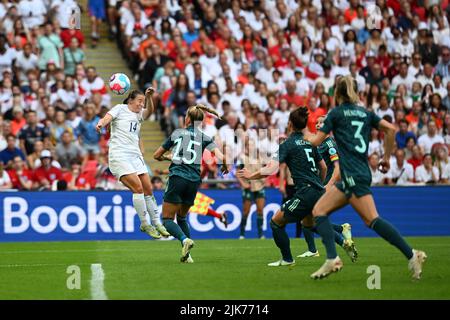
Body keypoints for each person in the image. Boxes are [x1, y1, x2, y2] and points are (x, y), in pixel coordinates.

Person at [304, 75, 426, 280]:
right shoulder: (365, 113)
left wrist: (299, 134)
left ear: (338, 93)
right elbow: (391, 129)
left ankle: (334, 258)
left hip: (351, 175)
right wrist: (386, 158)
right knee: (323, 211)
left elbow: (316, 142)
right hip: (359, 173)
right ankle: (412, 255)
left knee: (364, 218)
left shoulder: (336, 113)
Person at [237, 107, 356, 267]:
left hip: (305, 191)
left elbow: (270, 169)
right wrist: (319, 184)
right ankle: (344, 242)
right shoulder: (311, 142)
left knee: (276, 222)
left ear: (290, 124)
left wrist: (251, 176)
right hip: (318, 191)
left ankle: (287, 259)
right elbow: (324, 168)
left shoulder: (288, 144)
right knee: (310, 224)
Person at [153, 103, 228, 263]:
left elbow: (156, 155)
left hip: (178, 177)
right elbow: (221, 156)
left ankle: (184, 240)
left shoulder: (178, 133)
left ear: (187, 119)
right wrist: (226, 165)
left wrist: (168, 157)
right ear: (201, 122)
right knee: (182, 218)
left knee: (167, 220)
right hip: (194, 180)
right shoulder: (205, 137)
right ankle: (188, 256)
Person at [96, 88, 170, 239]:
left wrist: (148, 97)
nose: (142, 104)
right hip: (119, 156)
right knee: (138, 188)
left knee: (148, 189)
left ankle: (157, 222)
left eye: (143, 102)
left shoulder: (139, 114)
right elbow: (107, 118)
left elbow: (150, 111)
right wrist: (101, 123)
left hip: (135, 156)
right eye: (139, 101)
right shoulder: (120, 109)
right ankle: (145, 223)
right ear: (130, 100)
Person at [299, 115, 353, 259]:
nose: (318, 125)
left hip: (327, 184)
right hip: (319, 183)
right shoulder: (319, 143)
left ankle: (317, 249)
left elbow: (338, 168)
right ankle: (341, 230)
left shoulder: (329, 144)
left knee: (309, 217)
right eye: (316, 123)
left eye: (321, 123)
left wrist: (329, 184)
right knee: (310, 218)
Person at [236, 138, 266, 239]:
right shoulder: (242, 158)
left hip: (259, 186)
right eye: (249, 145)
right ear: (246, 147)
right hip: (248, 187)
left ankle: (261, 234)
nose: (251, 147)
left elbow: (266, 171)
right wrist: (243, 184)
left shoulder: (260, 158)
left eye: (252, 145)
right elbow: (237, 173)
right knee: (246, 211)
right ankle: (242, 233)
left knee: (260, 210)